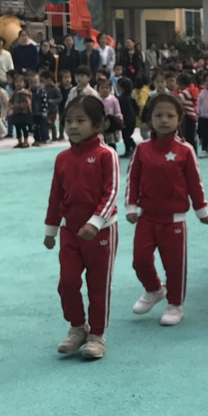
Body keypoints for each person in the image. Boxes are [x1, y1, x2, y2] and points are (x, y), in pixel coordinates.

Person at [124, 93, 208, 327]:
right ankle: (154, 289)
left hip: (174, 220)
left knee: (174, 266)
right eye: (158, 115)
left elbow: (195, 183)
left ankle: (175, 303)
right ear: (150, 119)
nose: (164, 120)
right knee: (140, 260)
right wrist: (131, 206)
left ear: (179, 119)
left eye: (170, 116)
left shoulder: (185, 150)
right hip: (146, 217)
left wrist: (201, 210)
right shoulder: (141, 149)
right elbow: (133, 179)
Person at [45, 96, 121, 360]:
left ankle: (97, 335)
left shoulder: (106, 155)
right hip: (70, 232)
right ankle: (78, 327)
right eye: (68, 121)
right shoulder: (62, 158)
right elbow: (56, 195)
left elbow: (111, 192)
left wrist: (96, 222)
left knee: (98, 285)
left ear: (98, 125)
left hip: (101, 232)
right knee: (67, 282)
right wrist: (51, 229)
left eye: (80, 120)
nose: (73, 126)